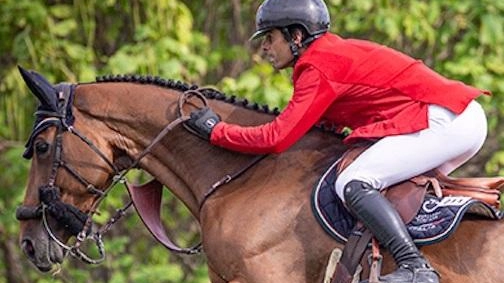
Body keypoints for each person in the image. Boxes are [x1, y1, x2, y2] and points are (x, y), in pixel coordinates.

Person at [186, 0, 489, 282]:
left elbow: (276, 138)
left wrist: (216, 131)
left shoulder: (319, 66)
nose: (264, 46)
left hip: (446, 121)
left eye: (270, 37)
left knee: (353, 181)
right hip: (457, 119)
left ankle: (415, 267)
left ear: (296, 36)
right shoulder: (327, 56)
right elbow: (321, 126)